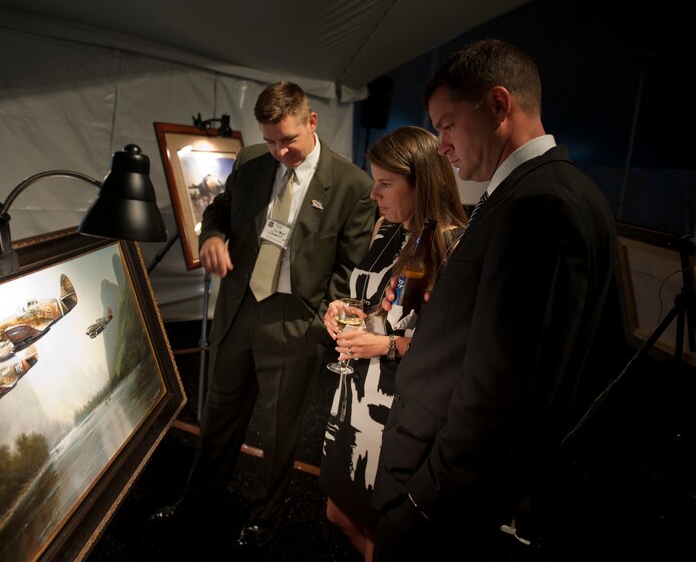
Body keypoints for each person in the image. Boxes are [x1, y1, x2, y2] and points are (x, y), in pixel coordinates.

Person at [371, 38, 621, 560]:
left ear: (499, 106)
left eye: (446, 125)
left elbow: (501, 398)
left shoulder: (541, 206)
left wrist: (422, 502)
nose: (441, 146)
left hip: (441, 495)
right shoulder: (529, 194)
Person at [150, 81, 376, 549]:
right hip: (239, 309)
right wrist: (211, 236)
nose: (279, 152)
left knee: (280, 427)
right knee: (218, 415)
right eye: (271, 141)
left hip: (296, 319)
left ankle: (264, 517)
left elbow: (350, 268)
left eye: (288, 140)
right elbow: (219, 211)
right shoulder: (252, 160)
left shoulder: (351, 184)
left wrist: (317, 324)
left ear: (312, 122)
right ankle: (198, 502)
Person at [320, 125, 467, 561]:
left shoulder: (450, 243)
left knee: (382, 525)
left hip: (394, 406)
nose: (374, 196)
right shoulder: (388, 227)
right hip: (354, 388)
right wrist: (343, 309)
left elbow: (451, 351)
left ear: (422, 180)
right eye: (374, 182)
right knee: (337, 510)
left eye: (385, 184)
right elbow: (377, 303)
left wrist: (383, 346)